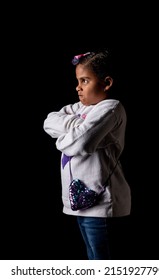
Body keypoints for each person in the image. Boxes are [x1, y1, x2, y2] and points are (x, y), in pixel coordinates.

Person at [43, 49, 131, 260]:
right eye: (78, 81)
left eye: (85, 80)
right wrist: (79, 126)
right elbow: (48, 121)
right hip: (80, 202)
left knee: (102, 262)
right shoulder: (80, 108)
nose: (78, 87)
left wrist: (66, 137)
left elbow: (80, 144)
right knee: (92, 258)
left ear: (106, 83)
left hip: (101, 203)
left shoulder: (110, 108)